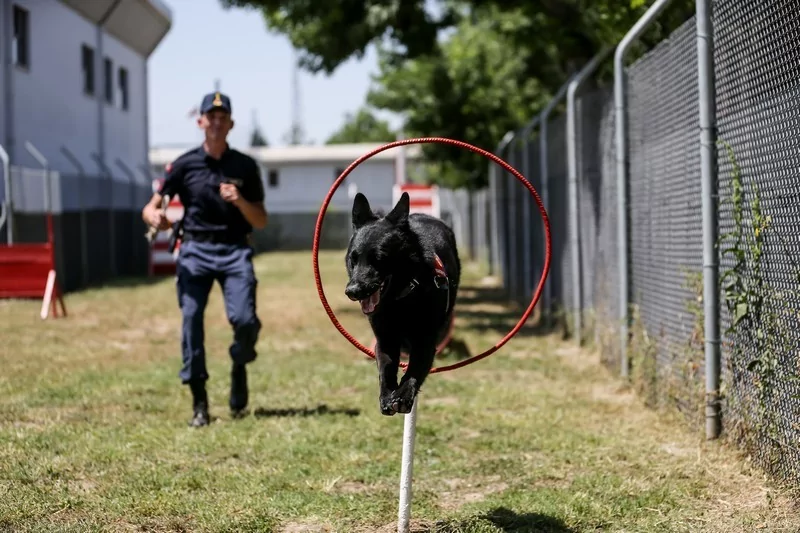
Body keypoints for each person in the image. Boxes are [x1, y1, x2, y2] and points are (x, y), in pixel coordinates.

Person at [142, 91, 268, 427]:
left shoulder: (244, 166)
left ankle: (239, 363)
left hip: (234, 249)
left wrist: (240, 200)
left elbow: (261, 220)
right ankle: (200, 403)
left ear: (230, 124)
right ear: (200, 122)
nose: (215, 121)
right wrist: (156, 218)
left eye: (222, 116)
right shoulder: (183, 165)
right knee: (191, 320)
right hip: (195, 251)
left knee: (244, 319)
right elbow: (151, 206)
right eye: (209, 116)